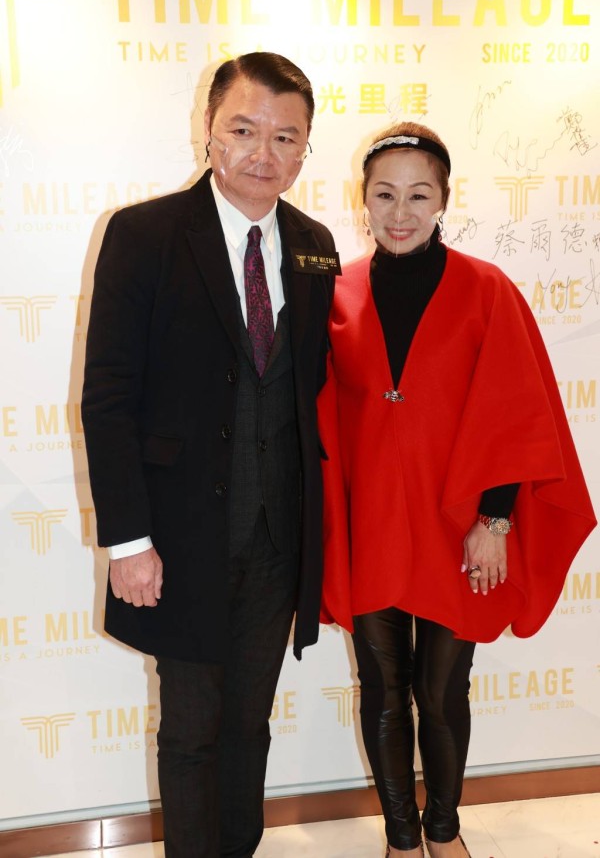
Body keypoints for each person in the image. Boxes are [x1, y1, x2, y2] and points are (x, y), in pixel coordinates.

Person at [82, 52, 338, 858]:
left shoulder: (315, 246)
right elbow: (108, 398)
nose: (265, 153)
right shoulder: (145, 235)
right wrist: (129, 540)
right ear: (209, 129)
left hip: (277, 537)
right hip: (180, 534)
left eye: (286, 137)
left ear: (305, 149)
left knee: (249, 723)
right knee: (191, 727)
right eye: (245, 130)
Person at [317, 121, 596, 858]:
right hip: (372, 523)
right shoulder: (335, 294)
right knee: (383, 690)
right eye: (384, 194)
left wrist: (495, 522)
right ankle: (401, 840)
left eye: (419, 195)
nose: (400, 212)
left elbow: (517, 412)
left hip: (460, 524)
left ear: (444, 199)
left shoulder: (485, 289)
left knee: (441, 692)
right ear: (363, 198)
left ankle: (444, 831)